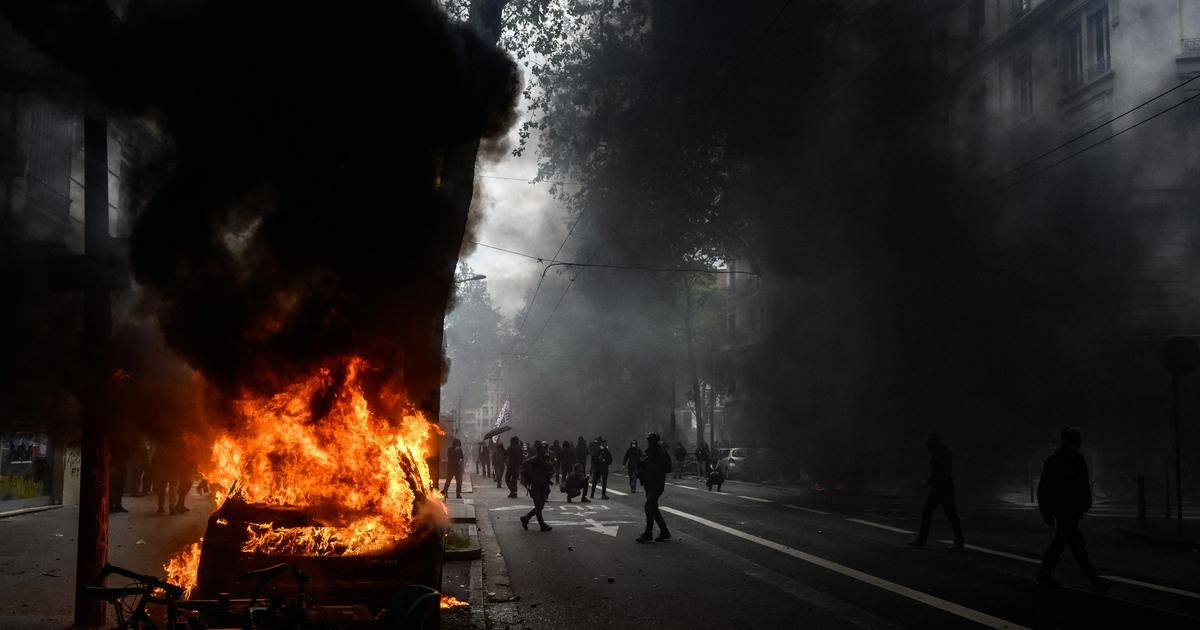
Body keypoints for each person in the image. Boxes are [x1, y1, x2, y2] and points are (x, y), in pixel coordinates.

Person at [1036, 427, 1109, 594]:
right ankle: (1094, 580)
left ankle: (1044, 574)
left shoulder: (1074, 460)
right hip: (1064, 509)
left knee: (1063, 544)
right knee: (1075, 546)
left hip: (1070, 510)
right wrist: (1046, 511)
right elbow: (1046, 488)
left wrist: (1085, 503)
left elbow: (1083, 484)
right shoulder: (1059, 461)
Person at [908, 433, 964, 550]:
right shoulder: (942, 453)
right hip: (942, 487)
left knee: (946, 514)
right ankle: (958, 541)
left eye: (929, 441)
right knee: (946, 514)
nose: (927, 445)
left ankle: (923, 540)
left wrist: (929, 482)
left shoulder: (941, 454)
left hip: (942, 488)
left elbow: (940, 473)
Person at [636, 432, 672, 543]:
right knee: (653, 509)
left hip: (657, 484)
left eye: (651, 440)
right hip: (649, 483)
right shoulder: (648, 453)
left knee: (649, 506)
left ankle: (648, 533)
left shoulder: (661, 454)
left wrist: (656, 468)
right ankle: (664, 531)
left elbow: (668, 468)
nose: (649, 443)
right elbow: (641, 466)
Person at [519, 442, 554, 531]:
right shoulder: (535, 459)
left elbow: (550, 470)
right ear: (539, 450)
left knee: (540, 506)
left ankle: (526, 518)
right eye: (543, 449)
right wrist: (528, 476)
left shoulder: (545, 459)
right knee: (539, 506)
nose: (545, 450)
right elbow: (525, 463)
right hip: (536, 485)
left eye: (545, 448)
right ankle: (542, 524)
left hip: (543, 485)